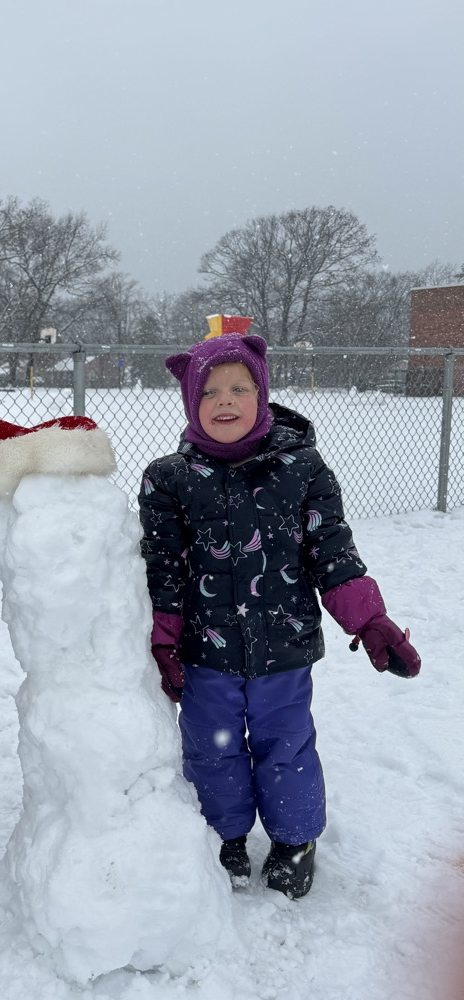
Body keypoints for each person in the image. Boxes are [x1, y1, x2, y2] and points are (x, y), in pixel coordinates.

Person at [138, 333, 420, 898]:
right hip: (204, 648)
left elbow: (332, 554)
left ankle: (294, 840)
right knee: (211, 746)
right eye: (210, 391)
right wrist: (163, 642)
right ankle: (225, 836)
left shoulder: (302, 468)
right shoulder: (168, 479)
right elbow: (162, 569)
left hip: (283, 646)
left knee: (285, 744)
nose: (225, 400)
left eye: (239, 387)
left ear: (261, 393)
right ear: (192, 403)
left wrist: (369, 621)